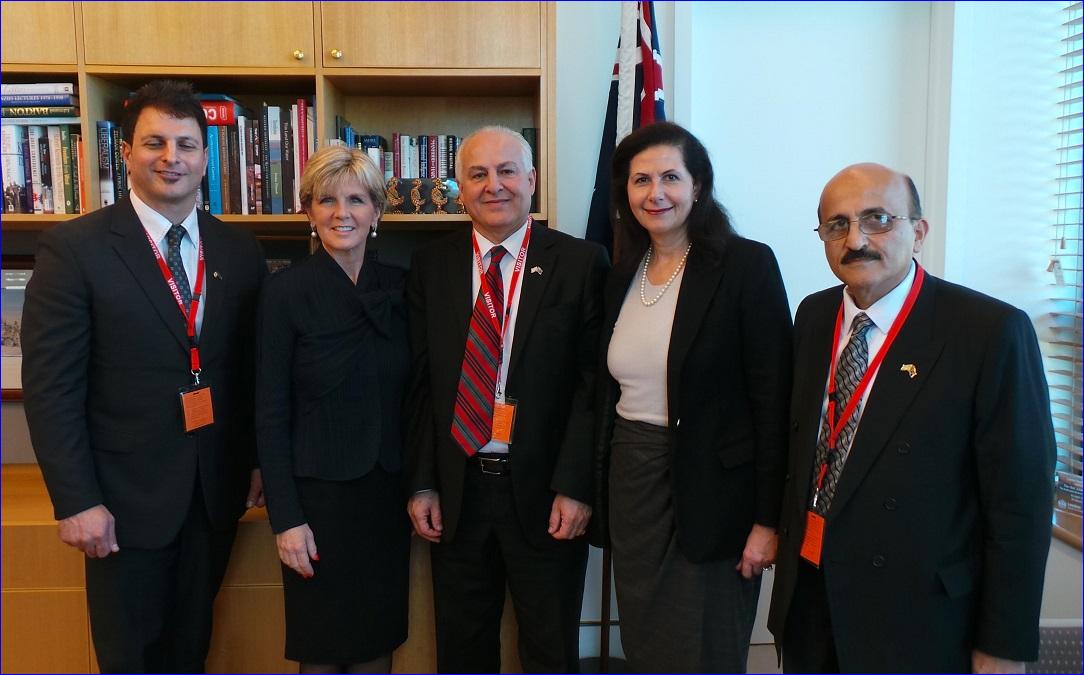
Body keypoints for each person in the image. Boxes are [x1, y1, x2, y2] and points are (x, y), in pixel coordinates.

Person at [768, 163, 1055, 673]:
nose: (856, 239)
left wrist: (1003, 644)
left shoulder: (988, 333)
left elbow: (1020, 504)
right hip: (811, 597)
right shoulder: (813, 316)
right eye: (837, 225)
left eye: (877, 219)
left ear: (918, 233)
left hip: (918, 617)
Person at [21, 79, 266, 673]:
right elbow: (52, 389)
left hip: (213, 497)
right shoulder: (74, 250)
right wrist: (77, 501)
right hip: (121, 507)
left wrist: (256, 462)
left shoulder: (238, 251)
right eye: (154, 142)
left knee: (190, 652)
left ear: (205, 157)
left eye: (186, 144)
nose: (171, 157)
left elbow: (251, 370)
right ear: (125, 153)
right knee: (132, 659)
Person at [591, 121, 793, 673]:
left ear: (699, 185)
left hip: (716, 496)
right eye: (640, 180)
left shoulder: (747, 265)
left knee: (705, 645)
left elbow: (775, 403)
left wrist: (767, 520)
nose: (655, 193)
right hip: (633, 483)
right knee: (647, 640)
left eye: (670, 177)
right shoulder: (621, 274)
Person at [405, 126, 608, 673]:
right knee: (462, 650)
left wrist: (575, 486)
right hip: (459, 490)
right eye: (478, 174)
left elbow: (593, 387)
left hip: (546, 494)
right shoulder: (431, 265)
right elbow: (422, 383)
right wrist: (424, 480)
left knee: (549, 650)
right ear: (461, 188)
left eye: (507, 171)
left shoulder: (581, 263)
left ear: (532, 181)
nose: (494, 185)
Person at [256, 145, 410, 674]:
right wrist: (287, 519)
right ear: (308, 211)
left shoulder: (401, 286)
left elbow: (418, 396)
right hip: (315, 500)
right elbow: (269, 412)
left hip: (387, 496)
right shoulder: (282, 292)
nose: (341, 213)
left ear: (376, 213)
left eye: (356, 199)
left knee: (377, 640)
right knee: (321, 646)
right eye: (326, 200)